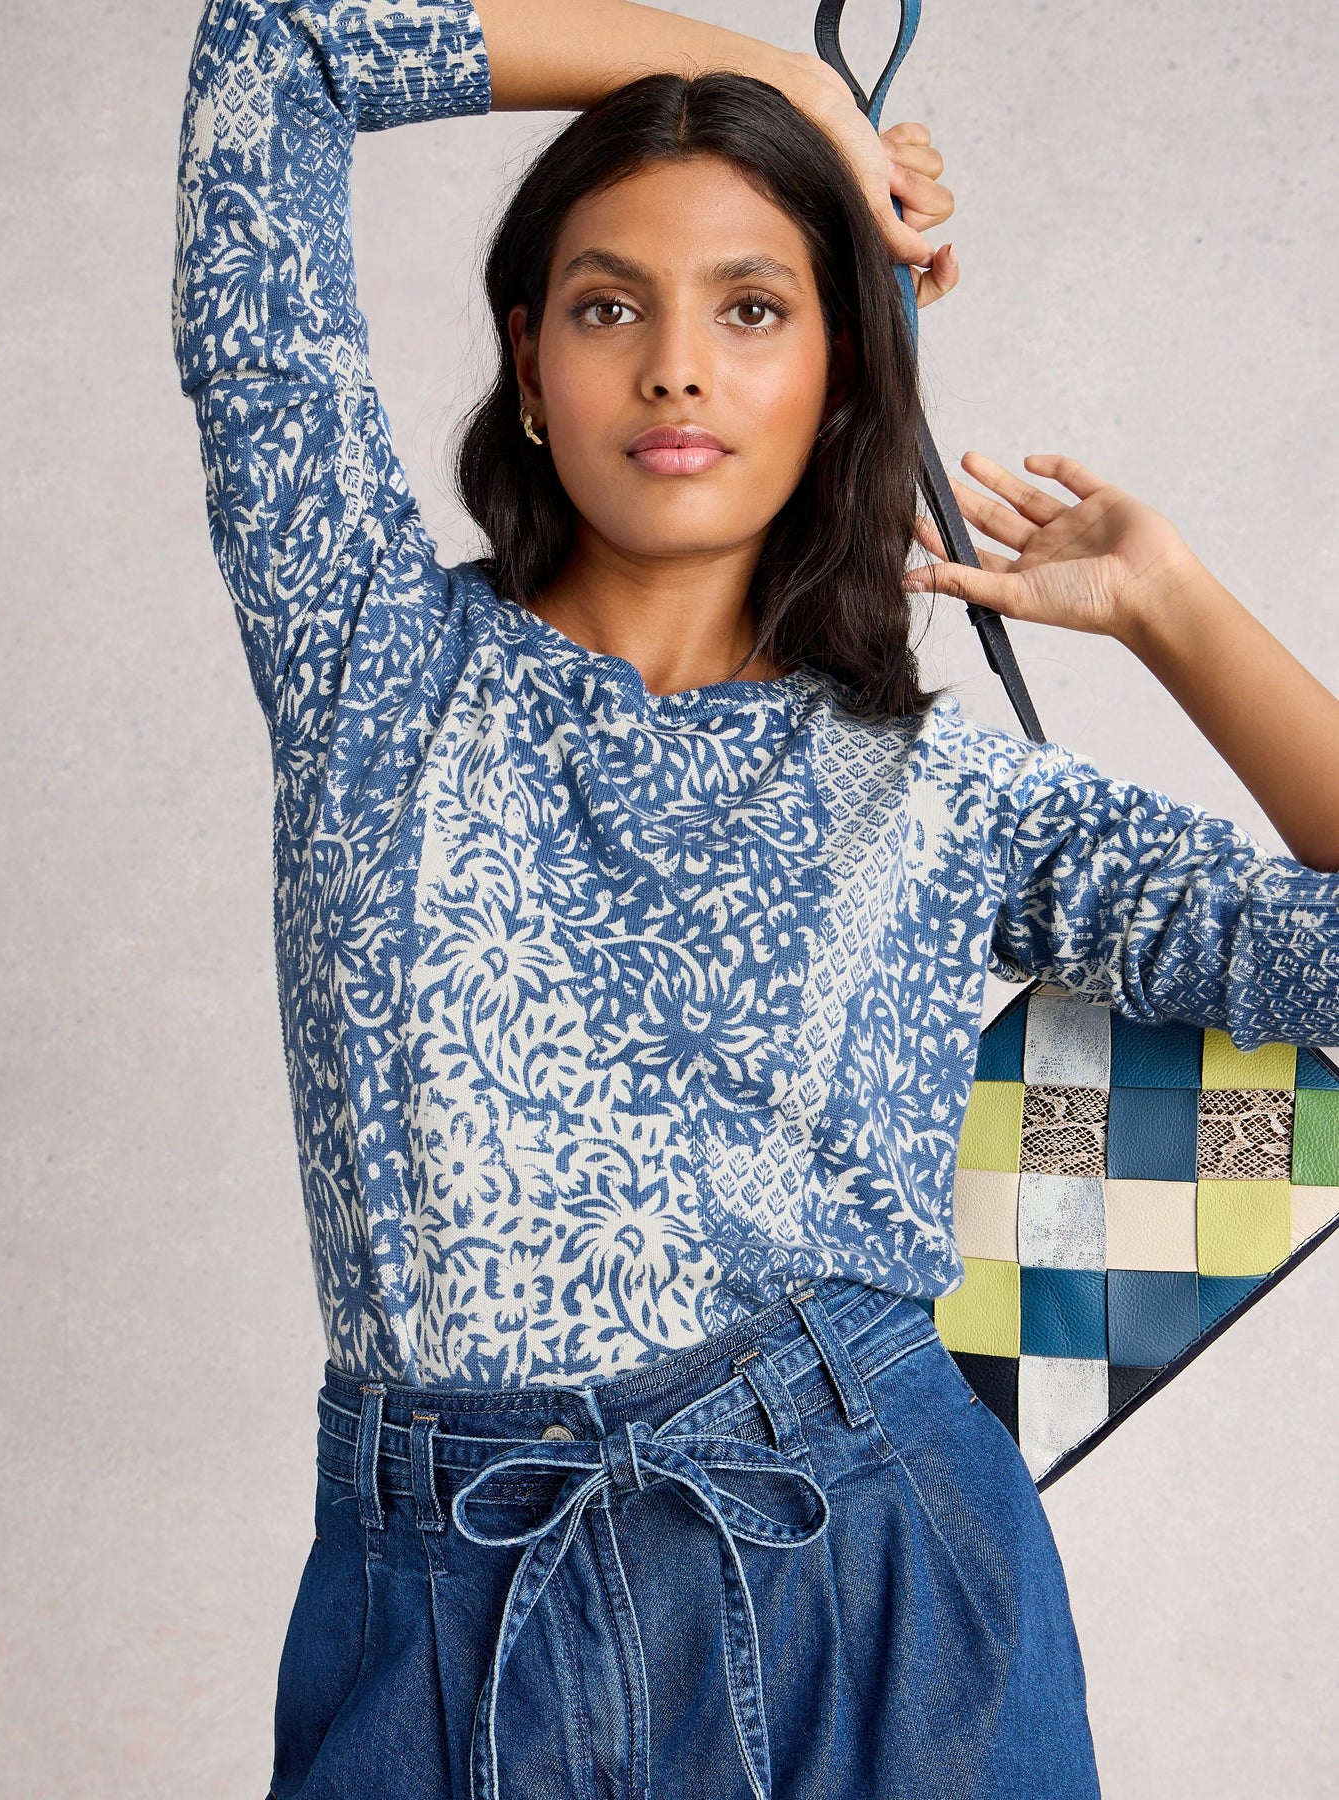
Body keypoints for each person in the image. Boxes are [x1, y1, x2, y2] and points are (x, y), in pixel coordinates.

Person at [171, 2, 1339, 1796]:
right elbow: (281, 50)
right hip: (446, 1613)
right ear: (527, 358)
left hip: (877, 1594)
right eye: (607, 305)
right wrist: (772, 80)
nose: (674, 369)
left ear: (843, 377)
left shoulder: (943, 796)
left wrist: (1175, 612)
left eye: (750, 308)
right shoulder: (367, 658)